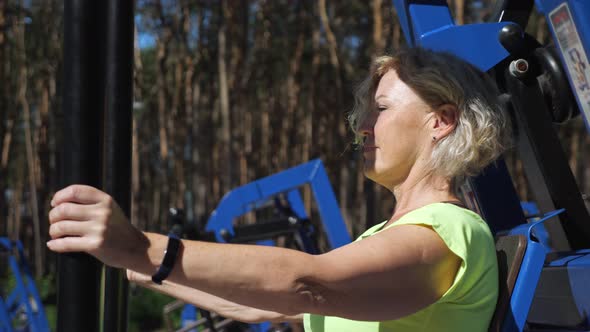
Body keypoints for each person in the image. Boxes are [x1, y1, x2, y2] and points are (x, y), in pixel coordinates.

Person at [47, 47, 510, 332]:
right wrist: (135, 269)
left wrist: (143, 248)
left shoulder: (448, 231)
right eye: (363, 114)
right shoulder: (384, 235)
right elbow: (257, 305)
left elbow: (303, 282)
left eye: (380, 108)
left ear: (442, 121)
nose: (363, 127)